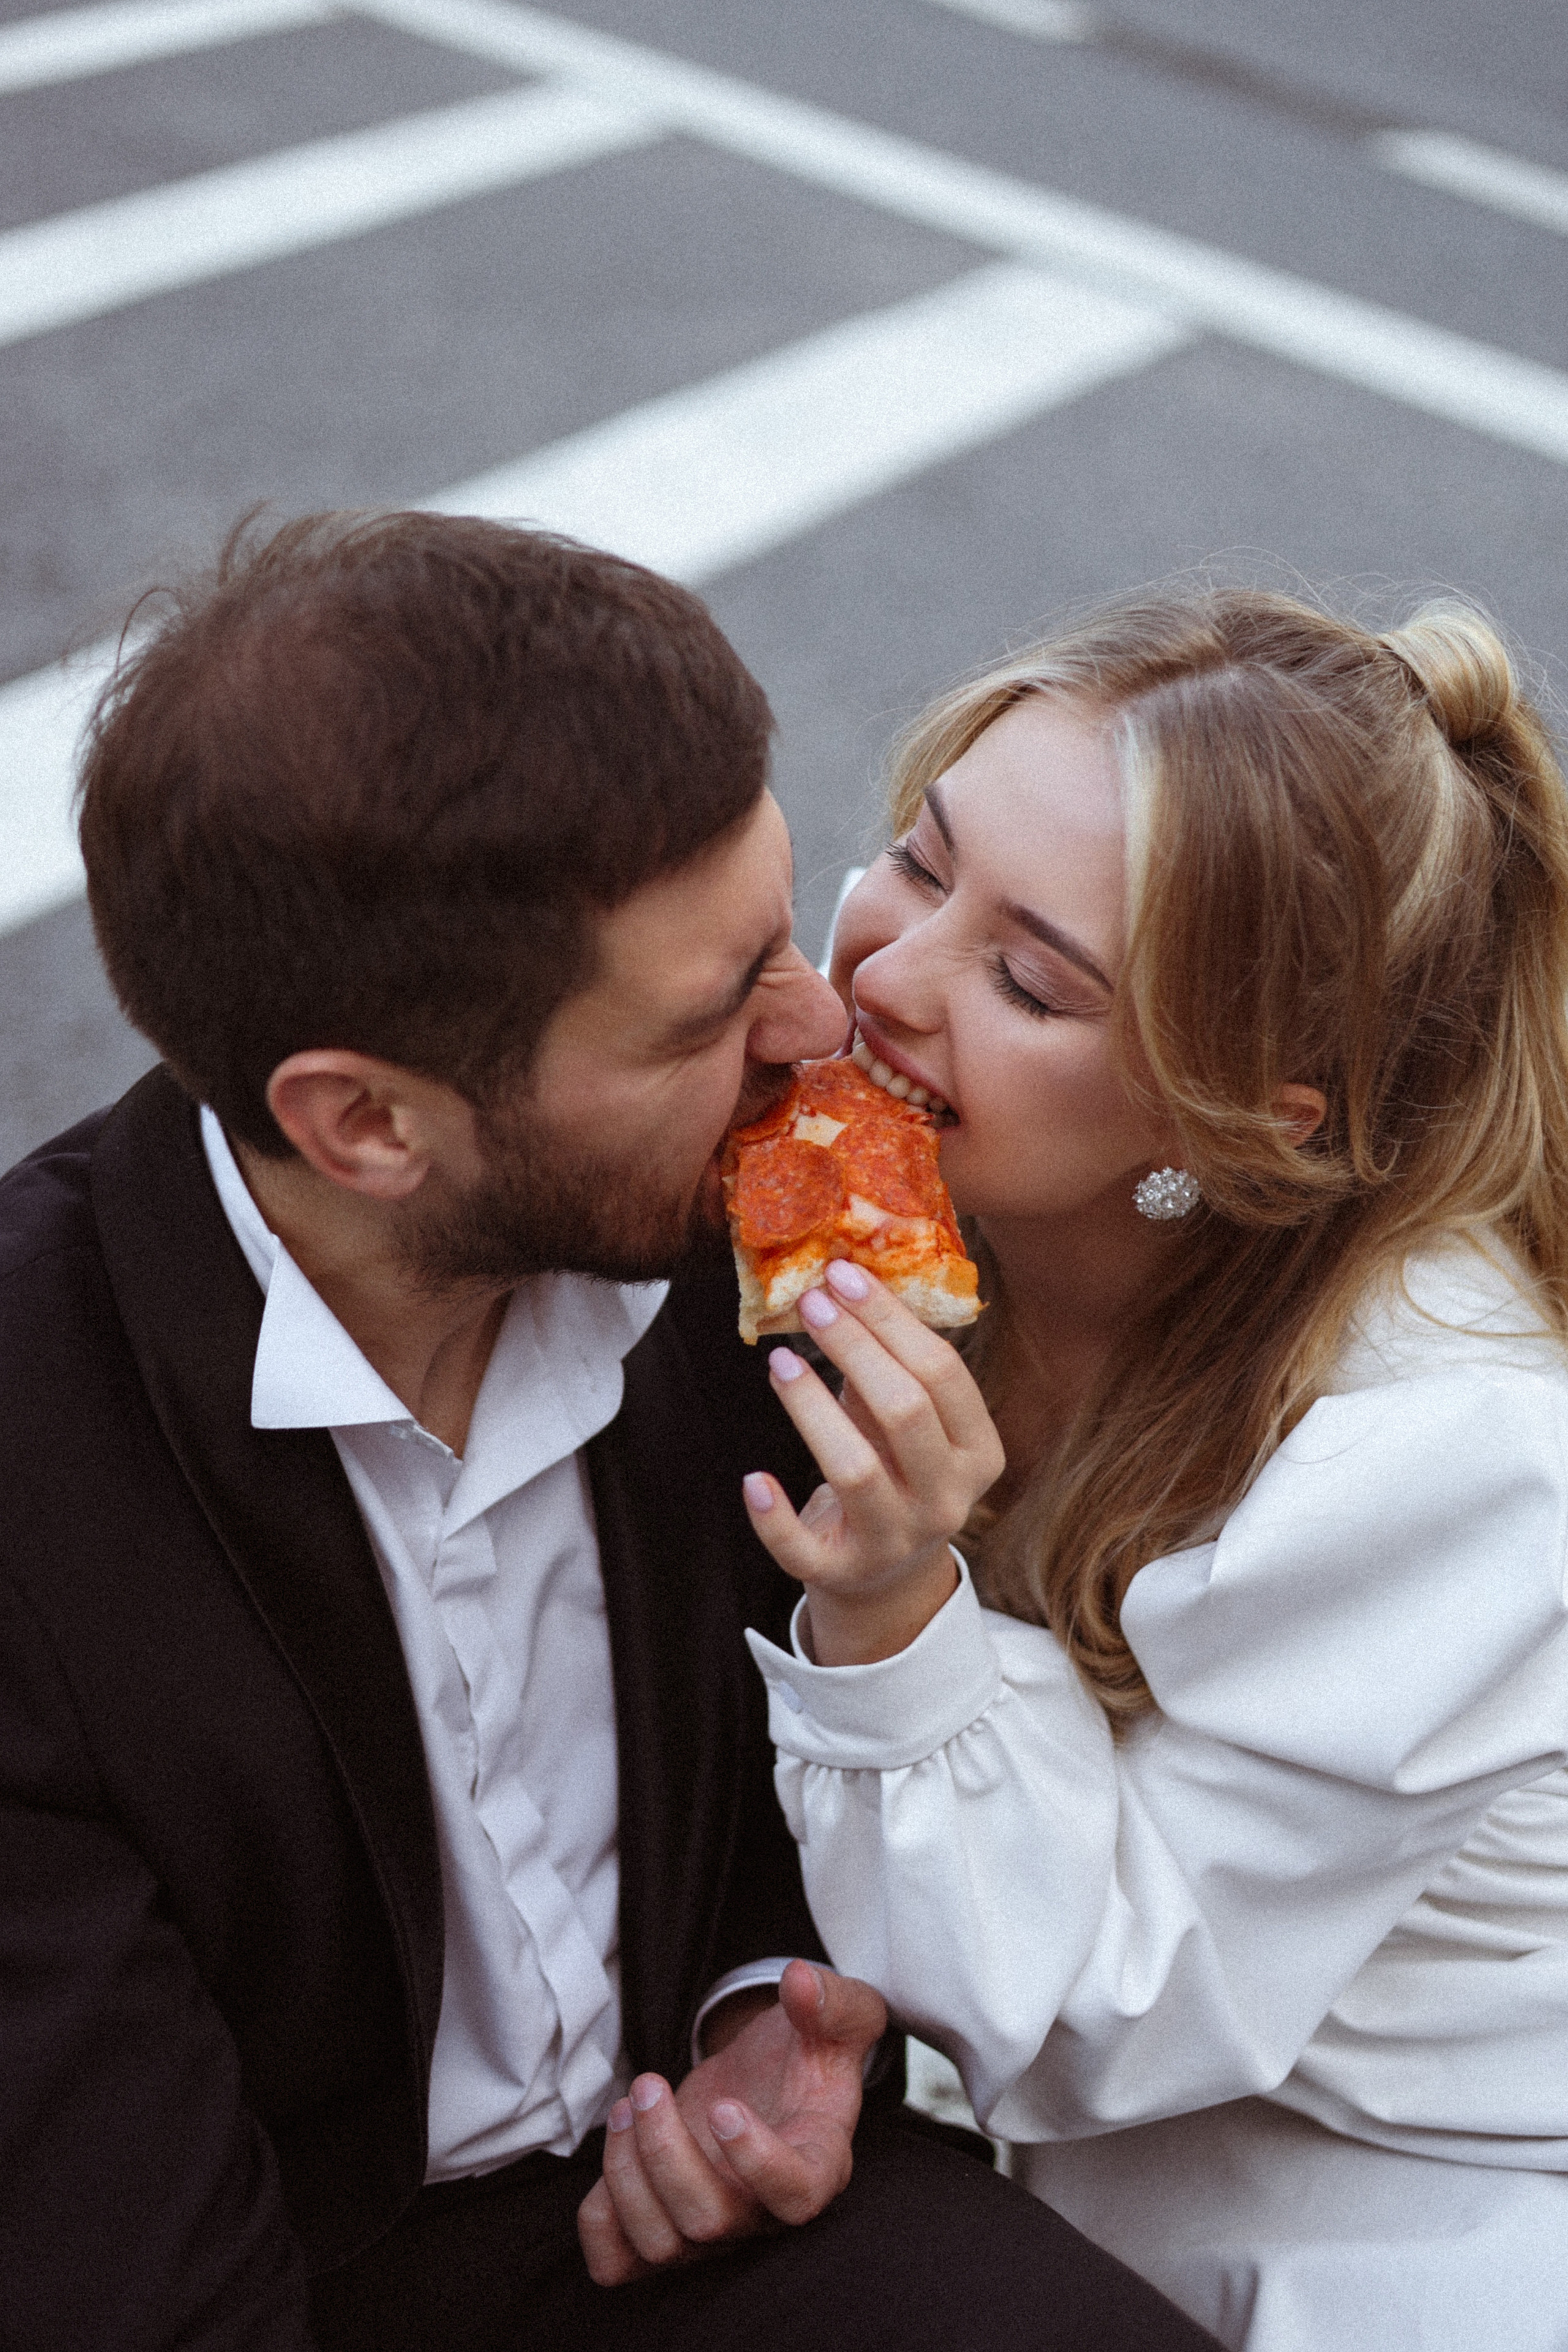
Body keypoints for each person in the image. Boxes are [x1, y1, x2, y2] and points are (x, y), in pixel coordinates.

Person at [0, 511, 1219, 2352]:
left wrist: (757, 2013)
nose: (822, 1023)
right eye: (706, 1014)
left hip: (713, 2219)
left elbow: (739, 1778)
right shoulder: (29, 1481)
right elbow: (125, 2263)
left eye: (769, 932)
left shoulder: (713, 1258)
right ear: (367, 1127)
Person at [735, 589, 1568, 2351]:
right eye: (917, 854)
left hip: (1391, 2221)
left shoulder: (1449, 1452)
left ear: (1253, 1117)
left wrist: (892, 1605)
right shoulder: (936, 1222)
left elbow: (1095, 2009)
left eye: (1029, 980)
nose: (882, 975)